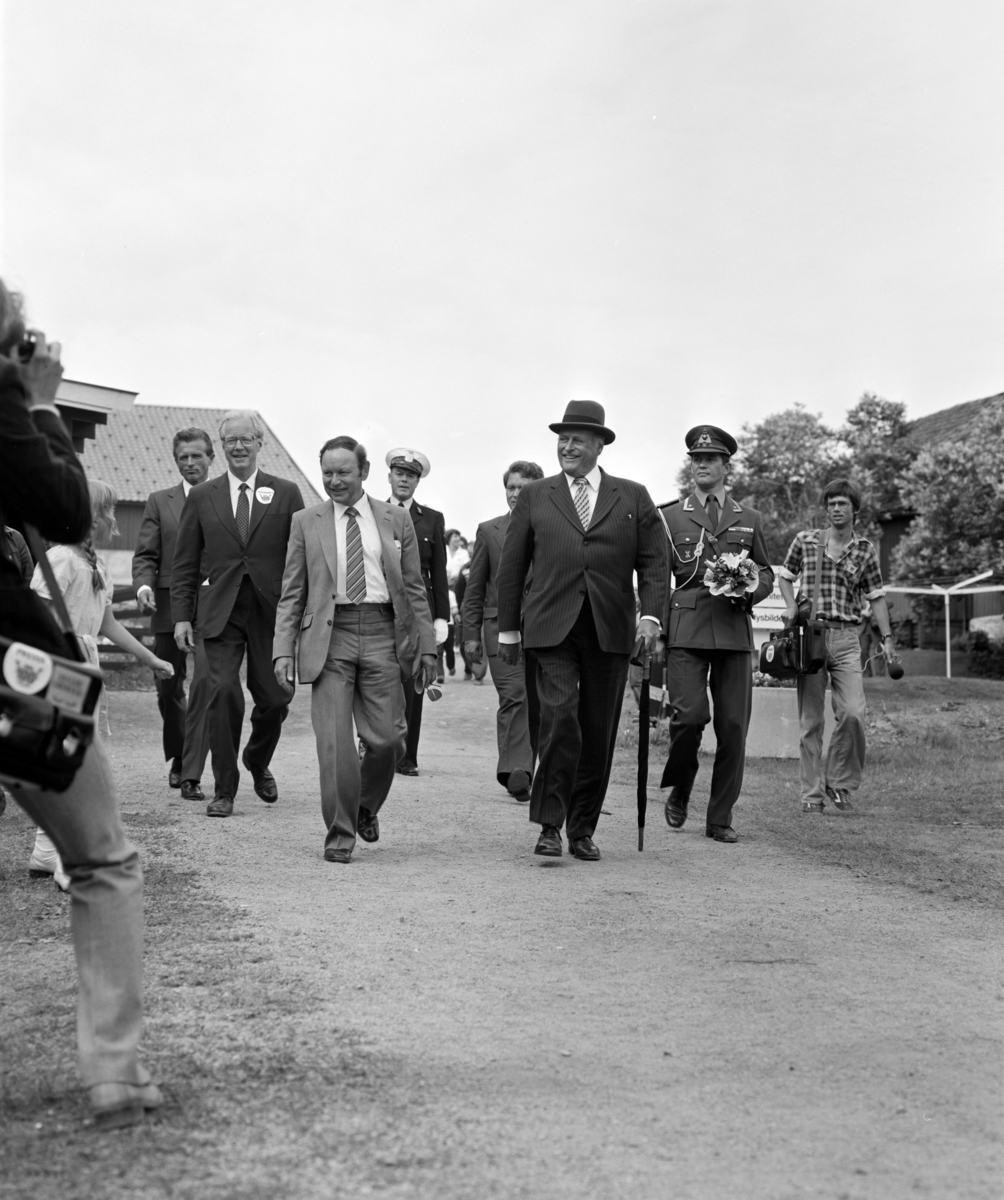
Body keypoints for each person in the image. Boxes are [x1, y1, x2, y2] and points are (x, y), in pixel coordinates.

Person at [0, 284, 163, 1129]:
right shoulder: (10, 404)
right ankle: (113, 1072)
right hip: (15, 670)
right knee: (102, 860)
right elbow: (64, 510)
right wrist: (36, 402)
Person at [495, 400, 666, 860]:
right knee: (559, 717)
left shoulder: (633, 496)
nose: (567, 446)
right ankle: (550, 823)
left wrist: (651, 617)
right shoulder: (537, 495)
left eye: (577, 439)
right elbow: (512, 566)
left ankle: (582, 828)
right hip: (551, 627)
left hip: (610, 629)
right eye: (562, 439)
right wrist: (508, 629)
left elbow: (654, 562)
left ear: (599, 445)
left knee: (598, 728)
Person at [273, 437, 436, 862]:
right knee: (335, 745)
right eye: (328, 472)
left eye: (343, 472)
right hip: (329, 636)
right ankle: (341, 834)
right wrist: (282, 650)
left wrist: (428, 649)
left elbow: (415, 588)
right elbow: (292, 592)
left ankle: (365, 804)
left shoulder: (396, 519)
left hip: (384, 632)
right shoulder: (305, 521)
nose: (334, 480)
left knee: (389, 740)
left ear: (363, 473)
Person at [29, 480, 176, 889]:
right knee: (72, 759)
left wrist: (151, 659)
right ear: (92, 518)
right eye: (108, 509)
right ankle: (66, 855)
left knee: (74, 756)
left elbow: (106, 623)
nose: (114, 517)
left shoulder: (94, 565)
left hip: (84, 664)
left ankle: (45, 851)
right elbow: (35, 617)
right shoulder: (59, 559)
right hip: (61, 665)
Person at [171, 410, 304, 817]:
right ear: (222, 446)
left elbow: (299, 557)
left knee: (277, 696)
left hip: (270, 610)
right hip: (219, 611)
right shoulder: (202, 495)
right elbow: (185, 561)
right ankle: (223, 789)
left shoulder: (285, 493)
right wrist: (181, 616)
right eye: (231, 440)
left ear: (260, 443)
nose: (239, 447)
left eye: (247, 439)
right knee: (222, 694)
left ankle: (257, 759)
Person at [658, 425, 774, 844]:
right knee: (688, 718)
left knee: (733, 726)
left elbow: (764, 571)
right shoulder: (669, 516)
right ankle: (682, 784)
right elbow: (658, 574)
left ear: (727, 466)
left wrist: (749, 591)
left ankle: (719, 816)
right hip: (686, 628)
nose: (701, 464)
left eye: (710, 458)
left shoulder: (750, 518)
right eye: (695, 458)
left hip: (733, 628)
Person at [778, 478, 896, 814]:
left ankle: (841, 784)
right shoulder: (806, 541)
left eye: (842, 503)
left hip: (846, 639)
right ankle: (811, 795)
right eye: (831, 503)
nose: (836, 509)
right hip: (810, 636)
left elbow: (876, 598)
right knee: (811, 721)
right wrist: (789, 604)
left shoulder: (865, 550)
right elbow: (785, 576)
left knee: (853, 713)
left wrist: (887, 640)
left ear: (854, 509)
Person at [132, 428, 213, 799]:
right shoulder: (159, 500)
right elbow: (146, 554)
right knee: (168, 685)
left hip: (214, 603)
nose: (191, 463)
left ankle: (190, 764)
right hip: (167, 602)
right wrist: (144, 585)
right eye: (184, 457)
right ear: (176, 461)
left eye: (197, 456)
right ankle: (179, 753)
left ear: (211, 458)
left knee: (208, 687)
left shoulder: (226, 498)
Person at [463, 460, 544, 803]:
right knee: (514, 696)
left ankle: (529, 767)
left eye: (522, 487)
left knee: (539, 702)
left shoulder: (554, 531)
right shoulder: (489, 530)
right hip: (500, 631)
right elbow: (474, 589)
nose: (515, 493)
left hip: (545, 629)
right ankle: (517, 772)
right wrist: (470, 634)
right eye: (511, 487)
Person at [385, 448, 449, 776]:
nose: (404, 479)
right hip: (381, 609)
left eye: (411, 475)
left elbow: (438, 572)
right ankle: (373, 746)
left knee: (414, 682)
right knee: (377, 678)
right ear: (390, 477)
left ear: (417, 481)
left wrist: (441, 619)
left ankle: (407, 756)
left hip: (416, 612)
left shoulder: (432, 519)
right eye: (400, 473)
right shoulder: (373, 512)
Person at [442, 528, 469, 679]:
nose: (457, 539)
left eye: (459, 536)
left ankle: (467, 664)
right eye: (454, 536)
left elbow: (466, 571)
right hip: (444, 587)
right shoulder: (443, 549)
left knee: (460, 623)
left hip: (459, 590)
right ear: (449, 538)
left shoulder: (463, 553)